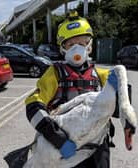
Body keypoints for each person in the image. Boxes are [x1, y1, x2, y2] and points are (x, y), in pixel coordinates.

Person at [25, 10, 136, 168]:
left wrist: (123, 99)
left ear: (89, 46)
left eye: (82, 43)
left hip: (97, 147)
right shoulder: (54, 75)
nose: (76, 49)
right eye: (70, 44)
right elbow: (33, 106)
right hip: (64, 147)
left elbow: (120, 110)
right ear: (62, 48)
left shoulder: (102, 75)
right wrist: (57, 138)